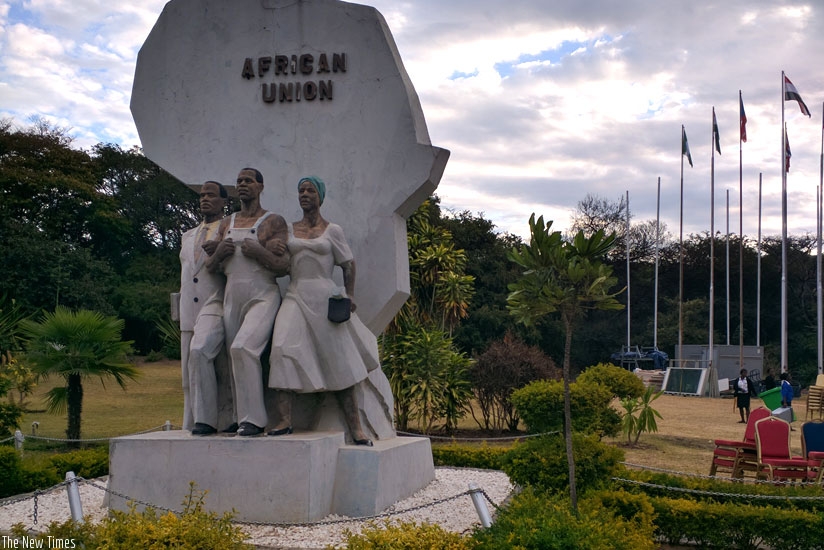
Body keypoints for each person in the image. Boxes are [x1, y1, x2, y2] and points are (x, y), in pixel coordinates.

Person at [267, 176, 379, 445]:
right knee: (281, 348)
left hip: (325, 297)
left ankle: (356, 428)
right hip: (295, 293)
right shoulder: (288, 230)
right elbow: (279, 260)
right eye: (301, 190)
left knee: (341, 362)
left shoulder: (333, 231)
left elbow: (348, 264)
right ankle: (284, 420)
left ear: (320, 196)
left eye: (310, 190)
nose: (305, 194)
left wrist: (350, 295)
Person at [206, 168, 290, 436]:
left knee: (244, 348)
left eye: (248, 181)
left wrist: (259, 252)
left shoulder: (273, 221)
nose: (242, 185)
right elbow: (210, 267)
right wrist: (219, 253)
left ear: (260, 186)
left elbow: (283, 266)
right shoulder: (226, 223)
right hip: (233, 295)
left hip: (262, 294)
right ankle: (238, 417)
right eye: (239, 181)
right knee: (233, 356)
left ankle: (254, 419)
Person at [176, 180, 233, 435]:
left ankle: (211, 419)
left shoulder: (229, 229)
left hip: (218, 302)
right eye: (201, 195)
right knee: (189, 372)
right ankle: (193, 419)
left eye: (211, 195)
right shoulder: (187, 236)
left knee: (207, 356)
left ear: (223, 201)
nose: (205, 199)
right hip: (190, 309)